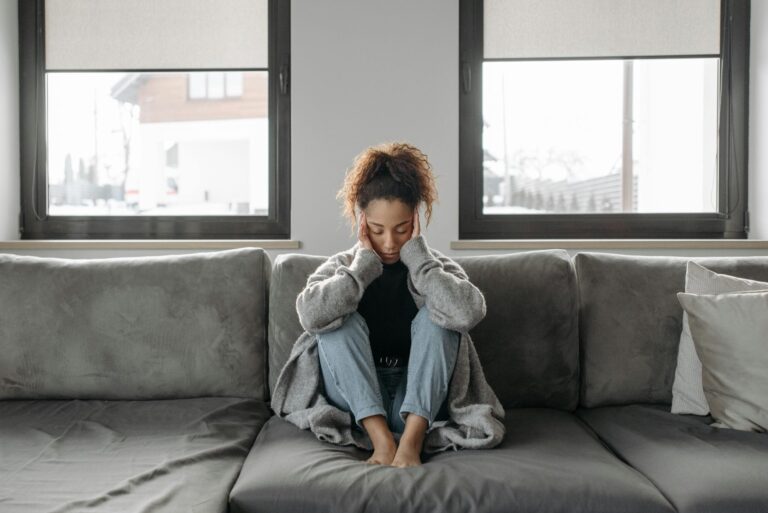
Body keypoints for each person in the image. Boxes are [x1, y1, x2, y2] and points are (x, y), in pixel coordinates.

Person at [271, 141, 505, 468]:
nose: (390, 243)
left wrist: (420, 260)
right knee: (337, 323)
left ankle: (409, 443)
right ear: (361, 221)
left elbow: (468, 313)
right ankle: (381, 441)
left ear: (416, 222)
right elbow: (310, 316)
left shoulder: (433, 268)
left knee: (438, 318)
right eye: (378, 230)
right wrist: (360, 270)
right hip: (357, 404)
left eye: (402, 229)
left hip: (420, 403)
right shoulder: (343, 266)